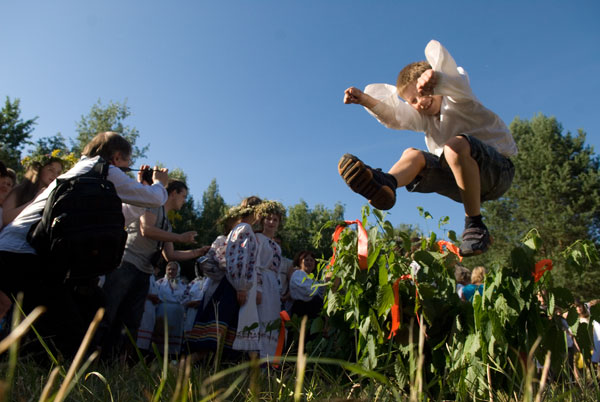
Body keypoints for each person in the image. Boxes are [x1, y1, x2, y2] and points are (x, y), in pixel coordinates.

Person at [339, 40, 517, 257]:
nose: (420, 102)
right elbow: (396, 116)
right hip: (461, 183)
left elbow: (456, 83)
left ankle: (475, 224)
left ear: (437, 87)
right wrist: (366, 100)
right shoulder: (424, 119)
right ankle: (386, 184)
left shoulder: (458, 99)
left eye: (424, 93)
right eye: (413, 101)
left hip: (497, 171)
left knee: (453, 147)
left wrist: (437, 79)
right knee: (412, 155)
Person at [0, 131, 169, 355]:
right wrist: (159, 184)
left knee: (59, 320)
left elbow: (120, 217)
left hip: (14, 252)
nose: (128, 167)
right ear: (117, 157)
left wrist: (142, 191)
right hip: (25, 254)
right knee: (70, 331)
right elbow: (155, 198)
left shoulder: (82, 171)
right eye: (128, 162)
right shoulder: (102, 169)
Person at [96, 179, 208, 358]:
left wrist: (197, 252)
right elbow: (146, 229)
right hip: (127, 264)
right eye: (183, 196)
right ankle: (90, 355)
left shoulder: (167, 226)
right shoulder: (153, 205)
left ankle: (115, 361)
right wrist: (180, 237)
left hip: (143, 271)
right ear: (173, 193)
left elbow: (170, 256)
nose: (184, 201)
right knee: (109, 311)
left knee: (131, 320)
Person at [185, 196, 262, 358]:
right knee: (217, 329)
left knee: (222, 331)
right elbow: (237, 261)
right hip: (229, 286)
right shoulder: (244, 231)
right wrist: (241, 286)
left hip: (226, 284)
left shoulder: (236, 233)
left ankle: (204, 367)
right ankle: (187, 365)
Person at [254, 200, 285, 360]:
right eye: (268, 218)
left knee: (272, 320)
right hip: (262, 282)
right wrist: (258, 288)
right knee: (261, 318)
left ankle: (270, 359)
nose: (271, 222)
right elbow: (256, 265)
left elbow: (278, 271)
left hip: (273, 284)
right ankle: (258, 357)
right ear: (262, 220)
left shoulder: (276, 246)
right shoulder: (258, 238)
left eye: (275, 220)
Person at [2, 154, 64, 226]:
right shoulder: (20, 190)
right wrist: (35, 200)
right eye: (50, 170)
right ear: (39, 169)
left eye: (58, 173)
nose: (55, 175)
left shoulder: (56, 196)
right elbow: (6, 219)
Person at [153, 261, 187, 355]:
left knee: (174, 335)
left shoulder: (183, 284)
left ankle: (173, 356)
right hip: (162, 311)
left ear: (178, 270)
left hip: (177, 314)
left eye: (173, 269)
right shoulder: (159, 283)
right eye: (169, 269)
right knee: (161, 334)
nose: (171, 271)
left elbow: (186, 298)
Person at [289, 251, 324, 319]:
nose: (309, 262)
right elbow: (309, 290)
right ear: (300, 262)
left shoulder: (311, 278)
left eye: (311, 260)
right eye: (306, 260)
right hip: (302, 310)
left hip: (311, 311)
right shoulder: (298, 274)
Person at [136, 266, 161, 352]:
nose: (158, 270)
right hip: (144, 306)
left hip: (151, 310)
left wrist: (156, 299)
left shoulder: (153, 279)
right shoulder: (146, 277)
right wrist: (151, 297)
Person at [183, 265, 205, 337]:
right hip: (191, 312)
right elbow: (184, 299)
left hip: (204, 312)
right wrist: (191, 303)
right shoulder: (192, 283)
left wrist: (201, 303)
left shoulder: (211, 281)